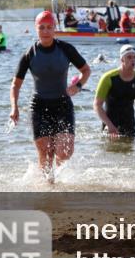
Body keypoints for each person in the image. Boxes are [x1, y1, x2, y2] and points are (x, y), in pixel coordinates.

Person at [9, 10, 91, 181]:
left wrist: (78, 86)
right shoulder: (29, 54)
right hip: (39, 107)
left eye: (49, 27)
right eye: (42, 27)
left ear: (55, 28)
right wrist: (14, 107)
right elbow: (15, 85)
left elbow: (86, 71)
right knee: (46, 155)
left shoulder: (66, 49)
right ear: (36, 29)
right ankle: (49, 190)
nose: (45, 31)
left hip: (63, 105)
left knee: (64, 152)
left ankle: (62, 185)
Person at [94, 44, 135, 139]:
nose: (133, 60)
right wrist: (109, 125)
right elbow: (97, 105)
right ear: (122, 59)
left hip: (130, 123)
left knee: (131, 152)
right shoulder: (108, 78)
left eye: (134, 57)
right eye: (129, 57)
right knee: (110, 152)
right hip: (110, 123)